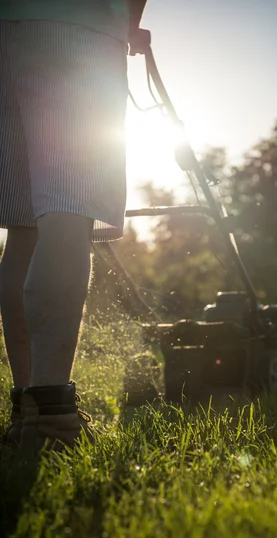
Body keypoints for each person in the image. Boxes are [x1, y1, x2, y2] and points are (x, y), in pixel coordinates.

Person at [0, 1, 142, 451]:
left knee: (24, 226)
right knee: (66, 210)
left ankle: (27, 410)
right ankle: (52, 416)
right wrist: (129, 23)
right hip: (77, 24)